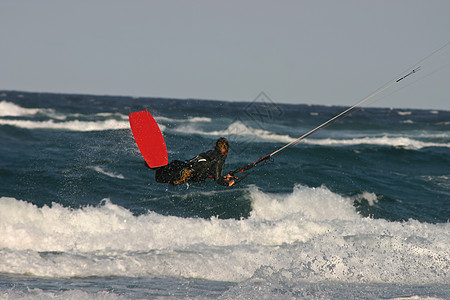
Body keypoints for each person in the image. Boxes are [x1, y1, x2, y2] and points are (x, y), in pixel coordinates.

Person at [153, 137, 235, 186]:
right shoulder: (221, 157)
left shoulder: (210, 152)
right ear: (225, 149)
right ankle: (155, 166)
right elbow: (217, 179)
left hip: (186, 165)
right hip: (190, 173)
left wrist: (224, 177)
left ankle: (154, 165)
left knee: (165, 171)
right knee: (163, 179)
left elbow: (206, 167)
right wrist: (227, 183)